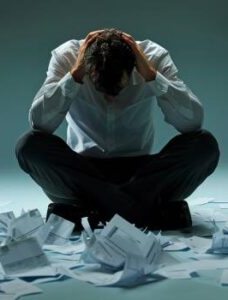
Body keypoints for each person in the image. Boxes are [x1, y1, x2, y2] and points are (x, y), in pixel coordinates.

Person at [15, 28, 220, 230]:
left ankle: (95, 213)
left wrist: (151, 76)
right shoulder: (66, 57)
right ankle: (141, 212)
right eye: (100, 89)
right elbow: (40, 124)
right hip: (83, 174)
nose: (110, 99)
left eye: (118, 89)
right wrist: (74, 76)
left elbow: (192, 123)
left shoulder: (153, 56)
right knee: (29, 145)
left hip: (143, 176)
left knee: (204, 145)